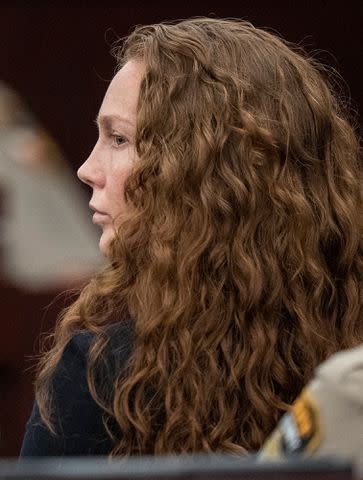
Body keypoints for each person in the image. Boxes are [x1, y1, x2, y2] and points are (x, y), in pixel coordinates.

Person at [20, 17, 362, 457]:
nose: (87, 169)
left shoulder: (99, 381)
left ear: (205, 179)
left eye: (119, 139)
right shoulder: (341, 348)